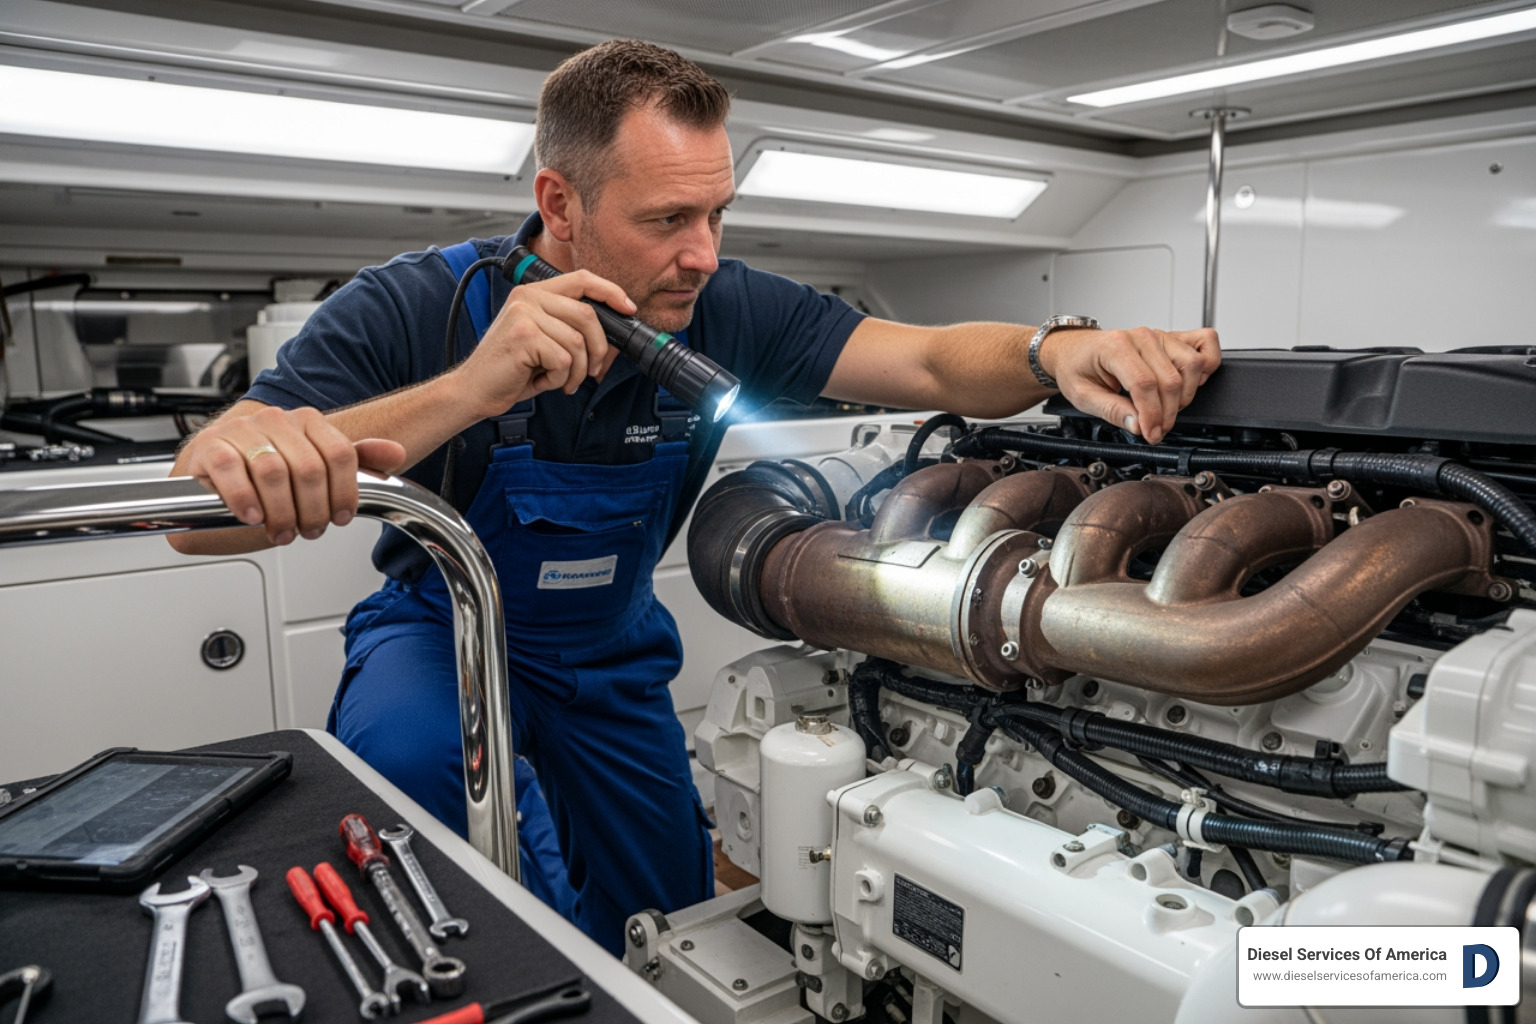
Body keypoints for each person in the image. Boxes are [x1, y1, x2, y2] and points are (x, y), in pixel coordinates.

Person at [169, 39, 1220, 953]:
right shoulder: (414, 305)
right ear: (559, 203)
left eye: (718, 212)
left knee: (669, 914)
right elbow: (190, 508)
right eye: (669, 217)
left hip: (607, 652)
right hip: (440, 631)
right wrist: (473, 388)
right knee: (412, 787)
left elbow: (940, 364)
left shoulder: (722, 302)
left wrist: (1058, 348)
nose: (703, 254)